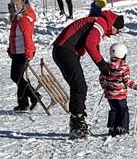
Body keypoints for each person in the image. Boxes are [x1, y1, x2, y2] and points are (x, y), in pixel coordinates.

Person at [52, 10, 124, 138]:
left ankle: (77, 120)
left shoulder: (98, 22)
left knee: (78, 87)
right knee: (79, 86)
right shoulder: (101, 23)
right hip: (64, 50)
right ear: (113, 25)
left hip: (63, 50)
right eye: (118, 30)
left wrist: (102, 65)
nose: (116, 33)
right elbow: (90, 44)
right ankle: (77, 123)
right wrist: (101, 64)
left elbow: (93, 46)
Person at [99, 42, 137, 137]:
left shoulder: (106, 65)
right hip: (120, 94)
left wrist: (105, 86)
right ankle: (122, 128)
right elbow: (127, 80)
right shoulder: (123, 66)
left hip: (109, 94)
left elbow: (102, 78)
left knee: (114, 110)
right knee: (123, 110)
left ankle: (112, 128)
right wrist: (135, 86)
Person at [7, 0, 39, 111]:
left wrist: (28, 53)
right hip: (17, 51)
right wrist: (11, 49)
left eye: (13, 7)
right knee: (19, 77)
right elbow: (14, 36)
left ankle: (34, 95)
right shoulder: (17, 18)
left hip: (23, 52)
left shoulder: (23, 19)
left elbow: (27, 38)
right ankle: (23, 103)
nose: (10, 9)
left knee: (16, 76)